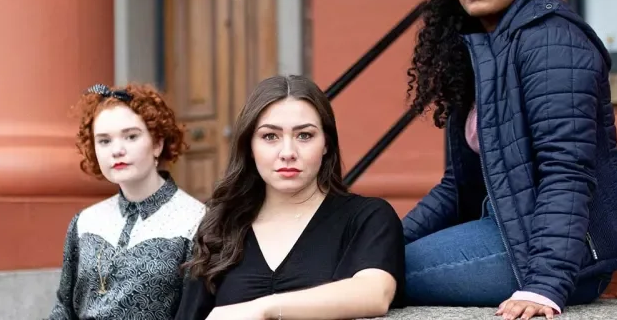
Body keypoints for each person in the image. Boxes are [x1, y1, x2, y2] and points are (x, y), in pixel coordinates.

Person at [401, 0, 617, 319]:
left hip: (558, 255)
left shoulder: (552, 42)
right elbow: (459, 186)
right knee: (370, 258)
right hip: (506, 229)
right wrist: (388, 237)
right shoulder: (482, 53)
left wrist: (545, 285)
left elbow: (566, 170)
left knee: (371, 275)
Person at [176, 75, 404, 320]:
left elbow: (375, 293)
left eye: (304, 135)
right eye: (270, 136)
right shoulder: (222, 226)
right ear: (250, 148)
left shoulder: (367, 217)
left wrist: (264, 309)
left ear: (326, 144)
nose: (288, 153)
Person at [48, 83, 205, 320]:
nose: (117, 150)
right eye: (104, 141)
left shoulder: (195, 221)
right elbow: (63, 308)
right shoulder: (85, 222)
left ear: (157, 143)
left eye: (131, 136)